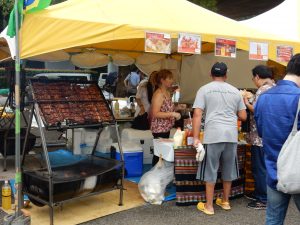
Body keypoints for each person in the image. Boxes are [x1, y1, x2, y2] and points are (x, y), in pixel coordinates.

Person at [192, 62, 247, 215]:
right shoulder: (235, 91)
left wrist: (195, 137)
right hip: (231, 135)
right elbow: (243, 116)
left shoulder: (204, 89)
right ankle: (225, 201)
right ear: (226, 75)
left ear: (211, 75)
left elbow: (197, 114)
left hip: (213, 134)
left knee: (211, 169)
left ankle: (209, 206)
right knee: (228, 168)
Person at [254, 54, 300, 225]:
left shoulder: (264, 97)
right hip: (298, 170)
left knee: (273, 219)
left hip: (274, 169)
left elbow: (260, 131)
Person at [243, 65, 276, 210]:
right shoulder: (275, 87)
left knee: (260, 168)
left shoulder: (263, 90)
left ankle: (262, 199)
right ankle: (264, 195)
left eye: (253, 78)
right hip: (271, 135)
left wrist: (246, 102)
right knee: (267, 167)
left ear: (257, 76)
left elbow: (257, 109)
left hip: (259, 137)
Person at [150, 69, 181, 166]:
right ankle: (154, 175)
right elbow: (155, 113)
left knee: (161, 153)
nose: (172, 80)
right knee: (159, 154)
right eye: (170, 78)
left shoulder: (167, 93)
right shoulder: (158, 94)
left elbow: (166, 108)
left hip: (166, 128)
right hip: (159, 128)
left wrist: (177, 107)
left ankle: (158, 174)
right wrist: (172, 114)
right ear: (162, 80)